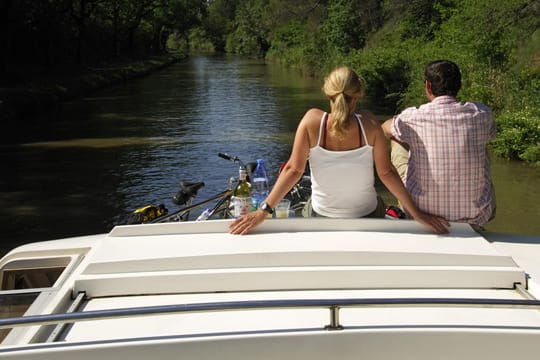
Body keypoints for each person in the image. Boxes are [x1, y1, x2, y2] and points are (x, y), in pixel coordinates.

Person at [229, 66, 449, 235]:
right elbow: (386, 174)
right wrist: (417, 215)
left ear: (328, 95)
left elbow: (293, 170)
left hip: (321, 215)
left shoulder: (311, 122)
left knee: (305, 203)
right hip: (368, 216)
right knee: (384, 203)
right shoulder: (370, 124)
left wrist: (263, 211)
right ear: (358, 96)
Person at [382, 60, 496, 229]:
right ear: (459, 85)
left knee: (396, 137)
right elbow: (491, 134)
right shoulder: (482, 114)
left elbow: (384, 128)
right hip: (475, 217)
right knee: (481, 146)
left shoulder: (412, 117)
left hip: (420, 212)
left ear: (428, 86)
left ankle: (408, 206)